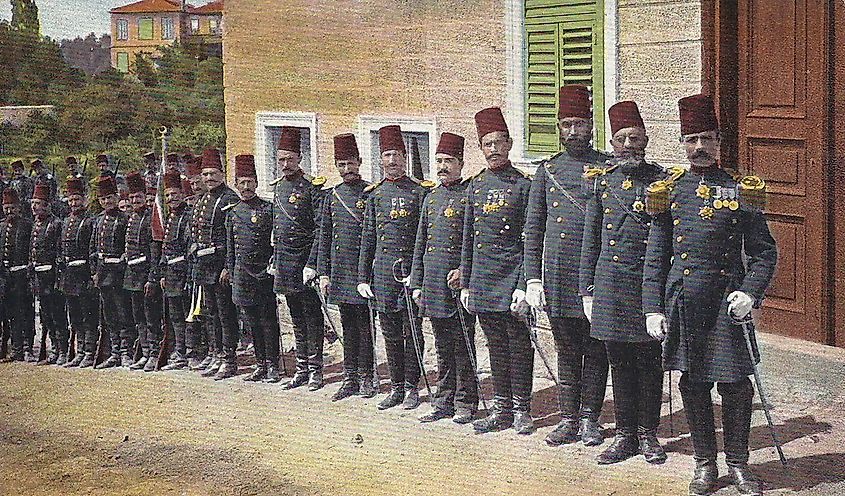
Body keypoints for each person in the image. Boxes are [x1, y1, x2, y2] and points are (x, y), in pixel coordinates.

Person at [642, 94, 778, 496]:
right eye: (690, 139)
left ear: (719, 141)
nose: (698, 147)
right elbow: (656, 255)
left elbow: (763, 252)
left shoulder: (742, 187)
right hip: (684, 301)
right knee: (694, 383)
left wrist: (750, 293)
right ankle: (705, 463)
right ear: (682, 143)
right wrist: (652, 308)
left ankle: (738, 464)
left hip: (726, 304)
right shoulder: (668, 191)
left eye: (706, 138)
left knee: (736, 384)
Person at [579, 100, 667, 465]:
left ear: (646, 139)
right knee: (619, 363)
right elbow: (591, 238)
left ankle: (648, 435)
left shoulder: (662, 181)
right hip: (611, 285)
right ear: (612, 144)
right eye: (621, 139)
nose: (629, 145)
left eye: (636, 137)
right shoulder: (602, 182)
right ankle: (625, 435)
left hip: (648, 286)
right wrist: (587, 289)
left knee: (650, 363)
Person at [524, 85, 609, 446]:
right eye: (566, 124)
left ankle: (591, 419)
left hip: (597, 277)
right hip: (559, 276)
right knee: (567, 350)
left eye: (579, 123)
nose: (573, 132)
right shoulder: (548, 171)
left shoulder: (607, 166)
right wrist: (532, 279)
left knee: (597, 349)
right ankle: (568, 419)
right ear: (558, 128)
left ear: (591, 125)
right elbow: (533, 228)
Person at [459, 107, 535, 435]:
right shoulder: (474, 186)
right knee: (495, 345)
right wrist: (466, 282)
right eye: (486, 144)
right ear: (481, 148)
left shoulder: (523, 186)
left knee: (518, 345)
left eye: (498, 143)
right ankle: (501, 409)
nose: (492, 149)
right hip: (483, 280)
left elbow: (531, 241)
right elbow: (467, 237)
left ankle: (522, 410)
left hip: (511, 278)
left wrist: (522, 286)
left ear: (510, 144)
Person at [357, 125, 432, 410]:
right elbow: (368, 238)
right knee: (389, 332)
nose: (392, 161)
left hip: (410, 275)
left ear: (405, 158)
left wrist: (418, 275)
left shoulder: (419, 192)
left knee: (412, 332)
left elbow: (425, 238)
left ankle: (413, 387)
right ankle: (397, 387)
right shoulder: (374, 195)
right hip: (383, 277)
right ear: (380, 159)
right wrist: (363, 277)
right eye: (387, 155)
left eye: (397, 155)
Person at [409, 132, 479, 424]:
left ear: (461, 163)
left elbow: (475, 242)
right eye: (438, 161)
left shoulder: (469, 195)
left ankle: (466, 401)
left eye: (448, 161)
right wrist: (417, 282)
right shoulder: (431, 197)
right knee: (442, 345)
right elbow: (421, 242)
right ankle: (443, 400)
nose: (442, 166)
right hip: (434, 282)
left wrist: (466, 273)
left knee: (463, 343)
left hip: (458, 285)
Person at [315, 133, 376, 400]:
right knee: (347, 327)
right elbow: (324, 235)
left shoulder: (370, 193)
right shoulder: (332, 196)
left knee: (365, 328)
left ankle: (367, 377)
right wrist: (323, 272)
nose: (347, 169)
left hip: (363, 272)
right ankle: (350, 377)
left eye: (351, 163)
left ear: (360, 162)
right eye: (341, 164)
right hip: (340, 272)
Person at [270, 127, 327, 391]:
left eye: (289, 159)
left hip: (304, 264)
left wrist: (313, 264)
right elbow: (277, 229)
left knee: (312, 318)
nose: (285, 164)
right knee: (295, 318)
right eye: (280, 159)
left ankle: (316, 371)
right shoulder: (278, 188)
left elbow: (319, 229)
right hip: (285, 265)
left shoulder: (311, 188)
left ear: (299, 158)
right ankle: (301, 368)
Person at [225, 154, 281, 383]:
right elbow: (230, 247)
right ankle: (260, 364)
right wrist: (230, 270)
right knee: (252, 322)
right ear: (236, 185)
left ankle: (273, 365)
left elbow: (276, 241)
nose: (246, 187)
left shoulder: (267, 209)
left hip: (263, 274)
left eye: (250, 182)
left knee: (268, 322)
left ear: (256, 183)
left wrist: (273, 265)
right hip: (242, 275)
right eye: (242, 182)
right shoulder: (232, 212)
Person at [190, 148, 240, 380]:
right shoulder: (202, 199)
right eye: (206, 174)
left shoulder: (229, 198)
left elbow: (232, 237)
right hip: (204, 266)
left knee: (224, 313)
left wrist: (228, 267)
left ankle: (229, 359)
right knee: (209, 312)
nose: (209, 178)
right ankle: (215, 352)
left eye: (213, 174)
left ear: (222, 174)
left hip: (220, 266)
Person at [91, 175, 132, 369]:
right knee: (109, 315)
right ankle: (114, 351)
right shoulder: (98, 221)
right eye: (103, 199)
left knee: (123, 313)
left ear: (117, 197)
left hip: (120, 274)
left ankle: (126, 352)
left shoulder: (126, 219)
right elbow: (93, 249)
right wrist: (94, 272)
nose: (107, 201)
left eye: (110, 197)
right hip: (103, 274)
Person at [124, 172, 162, 372]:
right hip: (132, 276)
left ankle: (154, 353)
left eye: (138, 197)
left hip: (146, 276)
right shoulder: (131, 219)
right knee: (138, 316)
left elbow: (155, 251)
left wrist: (152, 278)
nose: (135, 201)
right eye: (131, 198)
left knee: (151, 317)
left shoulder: (151, 219)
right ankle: (145, 351)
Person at [59, 178, 98, 368]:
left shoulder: (91, 221)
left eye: (77, 199)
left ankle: (90, 352)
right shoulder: (66, 221)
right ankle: (80, 350)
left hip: (84, 275)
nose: (74, 203)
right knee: (74, 316)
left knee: (87, 315)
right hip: (69, 276)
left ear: (85, 200)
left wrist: (92, 274)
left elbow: (93, 250)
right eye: (71, 199)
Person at [29, 184, 68, 365]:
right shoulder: (36, 224)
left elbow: (60, 253)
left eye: (38, 203)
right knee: (46, 317)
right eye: (33, 203)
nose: (35, 206)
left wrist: (58, 278)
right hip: (39, 278)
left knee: (58, 315)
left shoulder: (56, 224)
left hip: (52, 277)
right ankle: (53, 349)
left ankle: (63, 351)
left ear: (47, 205)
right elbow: (32, 252)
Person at [158, 170, 192, 371]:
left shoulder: (187, 217)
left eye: (175, 194)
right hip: (170, 275)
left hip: (183, 273)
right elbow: (165, 247)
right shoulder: (169, 218)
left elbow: (189, 248)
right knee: (176, 316)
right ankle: (180, 352)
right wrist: (163, 272)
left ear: (181, 194)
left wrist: (187, 274)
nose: (171, 198)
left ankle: (191, 352)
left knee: (189, 315)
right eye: (168, 195)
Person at [0, 188, 35, 361]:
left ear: (19, 207)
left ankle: (28, 348)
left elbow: (31, 251)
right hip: (7, 278)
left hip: (23, 275)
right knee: (11, 314)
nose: (9, 211)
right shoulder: (1, 226)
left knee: (26, 312)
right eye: (6, 207)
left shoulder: (28, 225)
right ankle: (16, 349)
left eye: (12, 207)